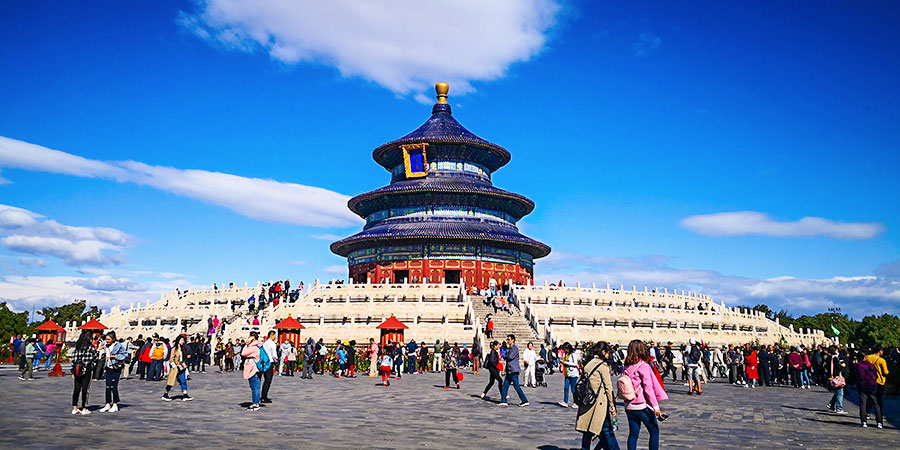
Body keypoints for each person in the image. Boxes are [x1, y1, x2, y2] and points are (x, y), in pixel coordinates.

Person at [623, 340, 668, 450]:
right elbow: (648, 388)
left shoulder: (626, 366)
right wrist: (656, 407)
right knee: (654, 431)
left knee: (633, 434)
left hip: (629, 405)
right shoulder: (643, 366)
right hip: (641, 406)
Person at [575, 342, 619, 450]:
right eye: (607, 352)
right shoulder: (603, 366)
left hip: (588, 400)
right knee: (607, 430)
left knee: (588, 430)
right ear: (603, 352)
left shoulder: (588, 363)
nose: (608, 355)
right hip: (599, 404)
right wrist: (612, 405)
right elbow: (608, 387)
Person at [70, 330, 100, 415]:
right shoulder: (90, 347)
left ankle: (75, 407)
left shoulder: (77, 348)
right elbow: (95, 358)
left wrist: (73, 371)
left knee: (76, 388)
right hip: (87, 369)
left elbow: (73, 360)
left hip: (77, 370)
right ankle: (84, 407)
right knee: (85, 389)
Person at [99, 331, 127, 413]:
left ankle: (115, 404)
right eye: (106, 339)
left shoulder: (118, 346)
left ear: (113, 338)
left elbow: (124, 354)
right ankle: (107, 404)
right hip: (108, 367)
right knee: (108, 386)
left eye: (108, 339)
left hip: (115, 368)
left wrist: (114, 356)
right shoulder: (105, 346)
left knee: (114, 386)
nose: (107, 341)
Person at [499, 334, 529, 407]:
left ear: (513, 340)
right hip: (509, 370)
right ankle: (503, 400)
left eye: (509, 339)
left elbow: (509, 357)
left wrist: (506, 356)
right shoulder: (509, 349)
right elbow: (504, 356)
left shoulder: (515, 348)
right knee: (505, 386)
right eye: (507, 340)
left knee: (516, 386)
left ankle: (524, 400)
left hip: (514, 370)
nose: (507, 341)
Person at [857, 351, 883, 428]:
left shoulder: (858, 366)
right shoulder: (871, 365)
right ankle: (879, 422)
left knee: (863, 404)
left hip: (862, 385)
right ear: (866, 357)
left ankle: (864, 421)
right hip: (872, 385)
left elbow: (855, 375)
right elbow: (876, 374)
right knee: (876, 404)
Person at [162, 335, 192, 401]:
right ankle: (165, 394)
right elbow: (171, 359)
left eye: (183, 340)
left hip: (181, 367)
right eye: (182, 340)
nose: (183, 342)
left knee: (183, 380)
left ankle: (185, 394)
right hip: (175, 368)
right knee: (171, 382)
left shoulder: (182, 349)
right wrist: (174, 366)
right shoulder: (174, 349)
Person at [865, 345, 889, 419]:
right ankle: (879, 414)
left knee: (870, 397)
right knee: (879, 399)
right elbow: (885, 372)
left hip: (869, 380)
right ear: (880, 351)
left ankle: (867, 413)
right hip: (880, 381)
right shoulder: (881, 360)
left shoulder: (868, 357)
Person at [241, 331, 264, 411]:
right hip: (257, 367)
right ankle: (256, 402)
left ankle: (255, 403)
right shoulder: (259, 345)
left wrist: (247, 344)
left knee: (255, 386)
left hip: (253, 368)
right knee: (256, 386)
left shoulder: (253, 347)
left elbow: (243, 353)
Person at [825, 345, 847, 414]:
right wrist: (842, 365)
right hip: (836, 377)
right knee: (840, 393)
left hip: (831, 376)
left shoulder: (828, 358)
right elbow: (838, 366)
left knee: (837, 392)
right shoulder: (834, 358)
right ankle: (839, 408)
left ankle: (831, 404)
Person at [560, 343, 580, 408]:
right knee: (566, 387)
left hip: (573, 374)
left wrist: (565, 362)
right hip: (567, 373)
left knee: (573, 389)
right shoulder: (567, 355)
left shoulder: (573, 354)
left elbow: (575, 364)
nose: (565, 350)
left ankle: (576, 402)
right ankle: (565, 401)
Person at [261, 331, 277, 402]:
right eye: (274, 336)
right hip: (270, 362)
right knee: (268, 380)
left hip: (264, 362)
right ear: (271, 335)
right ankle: (264, 396)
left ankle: (263, 395)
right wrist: (276, 361)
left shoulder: (265, 343)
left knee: (265, 380)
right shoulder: (272, 344)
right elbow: (274, 355)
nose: (275, 337)